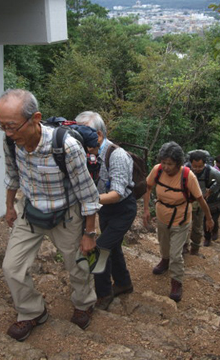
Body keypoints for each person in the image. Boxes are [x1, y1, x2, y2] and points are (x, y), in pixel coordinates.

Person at [0, 89, 101, 341]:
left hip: (67, 215)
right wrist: (10, 206)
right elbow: (12, 174)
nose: (8, 133)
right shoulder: (11, 141)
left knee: (78, 264)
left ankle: (85, 303)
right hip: (30, 210)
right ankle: (32, 311)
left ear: (35, 118)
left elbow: (88, 194)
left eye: (12, 126)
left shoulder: (66, 146)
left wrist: (89, 233)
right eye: (2, 126)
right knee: (12, 267)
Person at [75, 111, 137, 311]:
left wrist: (87, 201)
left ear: (98, 135)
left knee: (100, 248)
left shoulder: (116, 155)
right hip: (104, 209)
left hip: (122, 209)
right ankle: (123, 283)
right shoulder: (85, 154)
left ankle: (104, 293)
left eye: (82, 135)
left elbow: (117, 193)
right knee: (114, 246)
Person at [143, 142, 214, 302]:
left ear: (178, 163)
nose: (166, 167)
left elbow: (200, 199)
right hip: (162, 215)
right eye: (164, 162)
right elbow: (147, 188)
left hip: (180, 218)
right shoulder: (157, 170)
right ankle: (164, 260)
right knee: (163, 244)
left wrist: (209, 218)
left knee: (177, 254)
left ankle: (176, 281)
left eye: (170, 164)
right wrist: (146, 209)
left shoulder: (187, 176)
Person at [184, 150, 220, 255]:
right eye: (195, 166)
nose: (197, 169)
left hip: (200, 201)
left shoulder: (210, 171)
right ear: (190, 163)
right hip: (185, 201)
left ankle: (195, 249)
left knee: (197, 227)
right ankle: (184, 247)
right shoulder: (184, 169)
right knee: (183, 225)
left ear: (205, 164)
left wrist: (211, 190)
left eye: (200, 166)